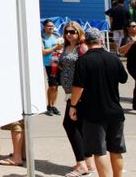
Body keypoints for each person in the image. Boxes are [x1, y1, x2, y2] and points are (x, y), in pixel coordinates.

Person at [69, 28, 128, 177]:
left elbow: (78, 87)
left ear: (86, 42)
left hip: (93, 112)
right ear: (101, 41)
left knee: (99, 150)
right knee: (116, 150)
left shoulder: (83, 61)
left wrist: (73, 105)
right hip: (115, 110)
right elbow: (124, 78)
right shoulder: (113, 58)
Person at [57, 22, 95, 177]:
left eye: (72, 32)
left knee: (70, 125)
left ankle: (81, 164)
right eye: (66, 32)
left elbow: (88, 69)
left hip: (79, 91)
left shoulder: (82, 48)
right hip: (68, 90)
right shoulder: (66, 47)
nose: (69, 34)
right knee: (78, 127)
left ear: (79, 32)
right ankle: (88, 162)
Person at [41, 19, 62, 116]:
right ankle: (48, 105)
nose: (51, 28)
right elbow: (43, 52)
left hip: (57, 62)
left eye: (52, 26)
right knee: (52, 85)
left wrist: (60, 49)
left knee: (56, 86)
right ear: (44, 27)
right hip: (49, 63)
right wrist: (55, 48)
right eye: (49, 26)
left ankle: (53, 105)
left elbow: (60, 48)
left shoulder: (56, 36)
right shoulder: (42, 37)